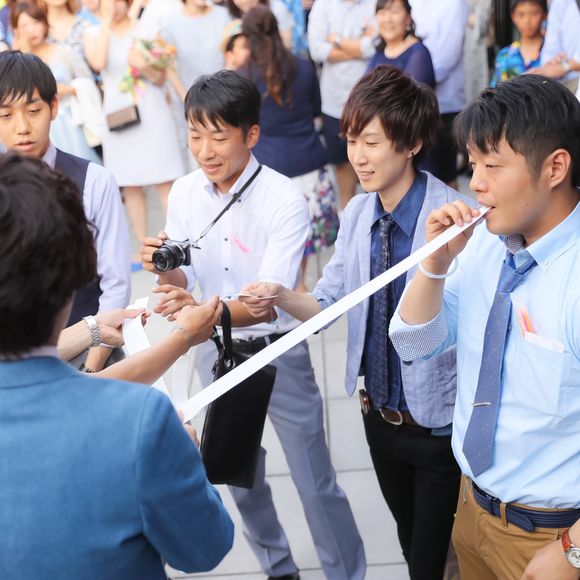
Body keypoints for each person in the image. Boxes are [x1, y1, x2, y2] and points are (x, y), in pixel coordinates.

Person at [239, 65, 467, 580]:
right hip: (378, 417)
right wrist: (281, 296)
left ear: (411, 144)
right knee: (410, 544)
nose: (357, 156)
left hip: (439, 424)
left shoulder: (456, 219)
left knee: (432, 561)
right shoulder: (359, 214)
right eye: (350, 140)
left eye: (371, 142)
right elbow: (329, 302)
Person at [140, 70, 366, 580]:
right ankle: (278, 568)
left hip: (276, 350)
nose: (205, 151)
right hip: (212, 350)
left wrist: (202, 312)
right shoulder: (184, 192)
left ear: (252, 134)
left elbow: (265, 303)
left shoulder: (283, 199)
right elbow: (184, 275)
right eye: (195, 135)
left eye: (219, 136)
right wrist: (163, 267)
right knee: (238, 474)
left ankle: (346, 574)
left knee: (314, 479)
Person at [0, 152, 234, 579]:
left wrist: (92, 329)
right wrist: (183, 456)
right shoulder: (140, 423)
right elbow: (205, 549)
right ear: (71, 279)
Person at [389, 74, 580, 580]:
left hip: (551, 533)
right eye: (473, 164)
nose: (475, 183)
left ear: (555, 167)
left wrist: (573, 551)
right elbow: (415, 344)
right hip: (473, 507)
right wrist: (434, 265)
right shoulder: (485, 245)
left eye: (492, 166)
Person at [0, 50, 131, 372]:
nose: (22, 127)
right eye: (6, 115)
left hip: (92, 354)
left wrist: (93, 365)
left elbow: (116, 283)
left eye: (33, 111)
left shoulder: (94, 181)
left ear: (54, 107)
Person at [240, 5, 337, 292]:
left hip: (267, 170)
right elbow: (317, 110)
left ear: (246, 37)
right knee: (302, 249)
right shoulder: (303, 67)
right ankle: (301, 290)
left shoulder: (242, 75)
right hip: (309, 162)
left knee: (271, 246)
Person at [84, 0, 185, 248]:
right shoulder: (93, 33)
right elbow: (98, 63)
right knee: (130, 183)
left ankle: (175, 241)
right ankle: (144, 245)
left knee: (165, 178)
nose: (113, 5)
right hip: (119, 116)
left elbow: (161, 78)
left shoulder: (147, 29)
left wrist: (143, 65)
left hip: (152, 109)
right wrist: (106, 22)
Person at [307, 0, 376, 209]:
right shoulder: (323, 5)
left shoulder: (374, 4)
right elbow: (316, 50)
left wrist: (336, 40)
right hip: (334, 100)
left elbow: (376, 45)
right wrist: (359, 47)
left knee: (374, 159)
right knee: (342, 162)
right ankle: (346, 215)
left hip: (371, 100)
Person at [12, 2, 102, 162]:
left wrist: (70, 89)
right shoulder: (17, 63)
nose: (31, 30)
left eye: (36, 22)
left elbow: (87, 81)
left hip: (71, 122)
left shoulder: (64, 52)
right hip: (37, 126)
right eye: (24, 26)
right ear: (16, 31)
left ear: (45, 23)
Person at [408, 0, 468, 188]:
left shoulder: (453, 4)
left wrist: (419, 76)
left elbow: (449, 53)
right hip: (409, 107)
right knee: (414, 175)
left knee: (444, 174)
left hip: (443, 104)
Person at [368, 0, 434, 89]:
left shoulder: (418, 54)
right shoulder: (378, 54)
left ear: (408, 17)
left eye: (394, 12)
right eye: (382, 13)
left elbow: (409, 95)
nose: (388, 19)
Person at [490, 0, 546, 87]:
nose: (527, 20)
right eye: (521, 14)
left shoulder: (552, 54)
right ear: (513, 16)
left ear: (544, 15)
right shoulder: (505, 55)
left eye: (534, 14)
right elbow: (495, 90)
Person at [530, 0, 580, 91]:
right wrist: (550, 65)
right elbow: (551, 48)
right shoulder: (561, 3)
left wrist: (565, 66)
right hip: (565, 84)